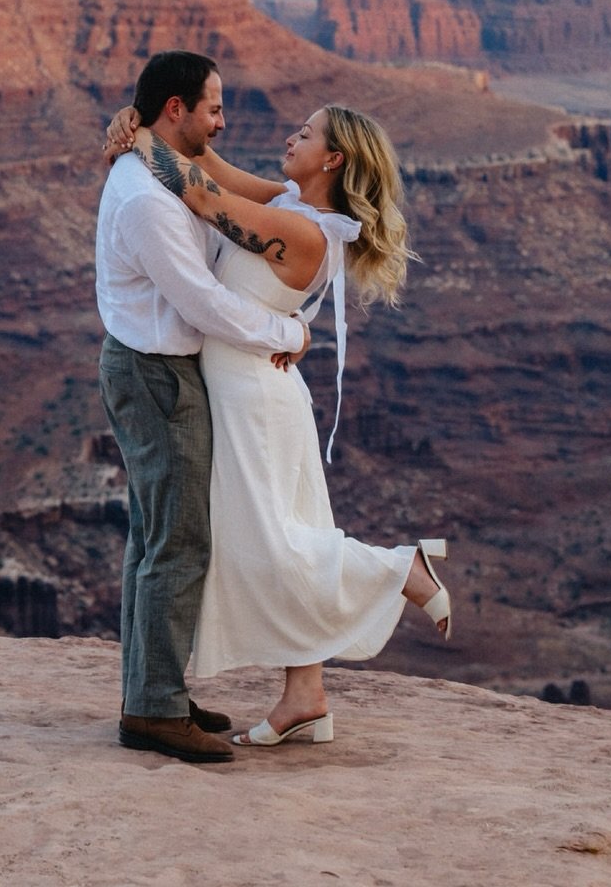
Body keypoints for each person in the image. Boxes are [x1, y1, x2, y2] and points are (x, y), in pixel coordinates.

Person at [103, 90, 452, 749]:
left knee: (270, 545)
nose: (290, 138)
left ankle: (400, 569)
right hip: (255, 389)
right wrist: (143, 123)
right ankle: (305, 698)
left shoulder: (302, 231)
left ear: (334, 159)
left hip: (253, 399)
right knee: (287, 532)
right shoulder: (291, 205)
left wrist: (141, 137)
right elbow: (215, 169)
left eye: (305, 133)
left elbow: (200, 193)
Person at [95, 50, 313, 765]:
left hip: (158, 369)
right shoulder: (148, 199)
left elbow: (242, 192)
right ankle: (153, 710)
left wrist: (137, 131)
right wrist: (289, 334)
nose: (222, 122)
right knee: (178, 542)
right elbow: (203, 303)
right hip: (157, 376)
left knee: (155, 537)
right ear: (175, 109)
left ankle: (152, 692)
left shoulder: (164, 171)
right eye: (213, 108)